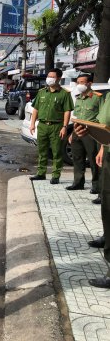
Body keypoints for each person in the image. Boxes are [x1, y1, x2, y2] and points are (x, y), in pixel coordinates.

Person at [74, 91, 110, 287]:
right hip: (109, 155)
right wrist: (102, 146)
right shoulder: (107, 97)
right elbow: (105, 125)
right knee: (107, 205)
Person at [29, 68, 74, 184]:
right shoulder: (42, 92)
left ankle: (55, 175)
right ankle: (41, 173)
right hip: (43, 125)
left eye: (52, 76)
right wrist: (32, 124)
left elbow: (67, 111)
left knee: (56, 152)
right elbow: (36, 109)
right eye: (48, 76)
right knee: (42, 151)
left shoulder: (64, 94)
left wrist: (64, 127)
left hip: (56, 126)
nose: (49, 78)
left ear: (59, 78)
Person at [67, 74, 102, 200]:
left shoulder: (97, 98)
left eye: (82, 82)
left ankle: (96, 186)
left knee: (93, 160)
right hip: (77, 131)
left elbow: (101, 117)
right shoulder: (79, 98)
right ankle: (78, 182)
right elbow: (76, 116)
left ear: (89, 84)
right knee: (77, 158)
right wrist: (72, 133)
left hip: (91, 133)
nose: (79, 85)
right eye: (78, 82)